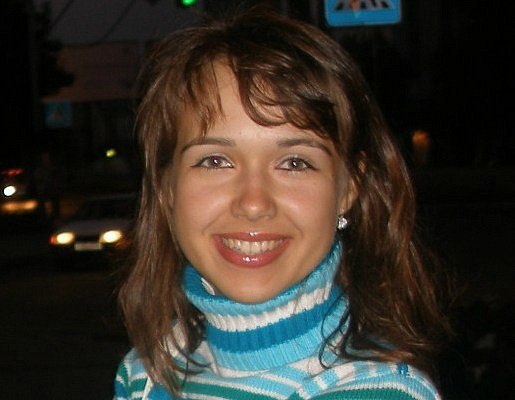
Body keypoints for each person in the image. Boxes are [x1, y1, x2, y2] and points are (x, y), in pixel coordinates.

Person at [114, 8, 451, 400]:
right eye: (215, 161)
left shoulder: (377, 392)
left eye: (294, 163)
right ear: (167, 186)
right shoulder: (144, 374)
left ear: (349, 188)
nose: (253, 203)